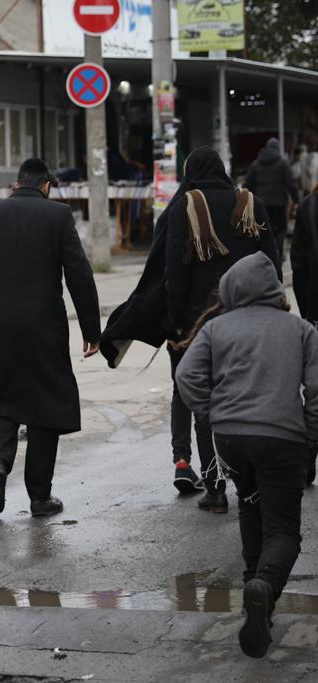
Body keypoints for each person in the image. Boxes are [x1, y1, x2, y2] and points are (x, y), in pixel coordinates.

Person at [175, 252, 318, 658]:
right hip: (281, 440)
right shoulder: (301, 329)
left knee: (251, 507)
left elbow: (185, 376)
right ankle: (265, 586)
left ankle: (256, 603)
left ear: (232, 289)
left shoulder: (216, 327)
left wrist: (211, 413)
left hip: (231, 440)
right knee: (284, 531)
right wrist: (310, 437)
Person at [0, 158, 101, 518]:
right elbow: (79, 275)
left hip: (0, 326)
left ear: (15, 184)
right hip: (44, 326)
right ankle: (40, 496)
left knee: (6, 395)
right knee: (45, 404)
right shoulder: (58, 215)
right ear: (46, 186)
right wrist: (91, 331)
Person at [166, 147, 278, 512]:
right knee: (250, 397)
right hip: (250, 319)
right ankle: (252, 482)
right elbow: (271, 263)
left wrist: (177, 323)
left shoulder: (185, 207)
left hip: (201, 322)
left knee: (205, 404)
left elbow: (174, 272)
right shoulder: (250, 204)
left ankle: (214, 488)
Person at [289, 183, 318, 485]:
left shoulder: (309, 206)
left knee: (314, 387)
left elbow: (297, 263)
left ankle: (309, 452)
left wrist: (306, 310)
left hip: (315, 309)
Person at [245, 138, 299, 267]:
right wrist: (296, 200)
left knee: (264, 229)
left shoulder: (256, 164)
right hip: (279, 204)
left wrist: (250, 201)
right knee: (281, 229)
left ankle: (266, 255)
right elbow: (291, 184)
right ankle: (279, 253)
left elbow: (247, 185)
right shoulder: (283, 164)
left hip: (261, 204)